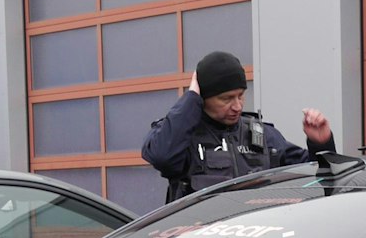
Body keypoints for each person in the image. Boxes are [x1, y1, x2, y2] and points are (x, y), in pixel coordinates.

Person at [141, 50, 336, 203]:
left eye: (240, 95)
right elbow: (162, 156)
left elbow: (316, 175)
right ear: (203, 97)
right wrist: (191, 98)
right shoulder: (182, 135)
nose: (237, 106)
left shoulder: (260, 134)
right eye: (226, 98)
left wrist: (321, 143)